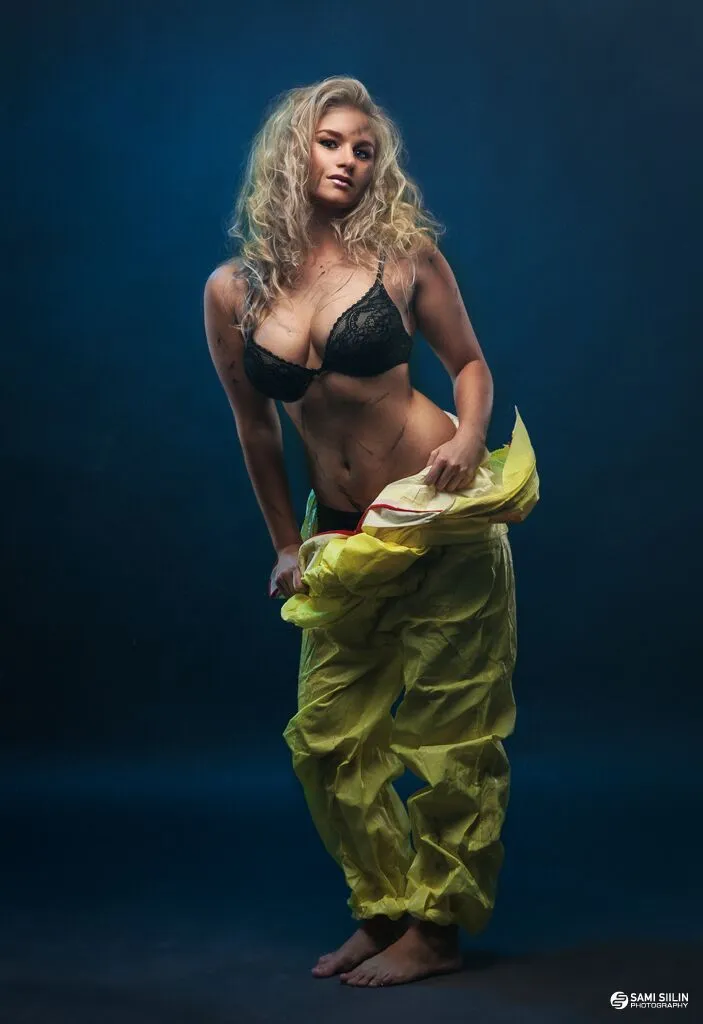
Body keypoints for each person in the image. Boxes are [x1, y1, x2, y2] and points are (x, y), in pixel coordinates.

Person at [203, 76, 539, 988]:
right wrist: (286, 544)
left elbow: (467, 364)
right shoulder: (234, 289)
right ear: (291, 151)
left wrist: (470, 439)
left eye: (363, 149)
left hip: (440, 517)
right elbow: (254, 428)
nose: (348, 159)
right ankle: (384, 909)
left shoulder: (404, 258)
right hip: (342, 532)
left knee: (451, 730)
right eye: (330, 142)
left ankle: (434, 931)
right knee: (327, 734)